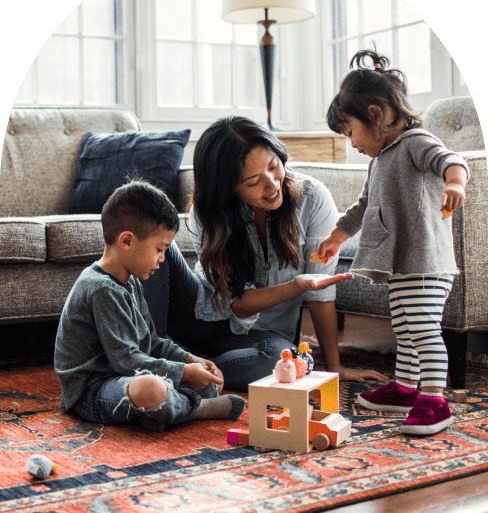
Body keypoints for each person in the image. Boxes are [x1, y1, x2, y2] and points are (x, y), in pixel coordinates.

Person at [160, 116, 387, 391]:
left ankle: (175, 369)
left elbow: (319, 292)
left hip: (264, 339)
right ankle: (163, 358)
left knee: (291, 361)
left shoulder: (312, 200)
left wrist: (334, 366)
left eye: (273, 166)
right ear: (226, 188)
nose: (271, 185)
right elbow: (237, 304)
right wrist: (294, 286)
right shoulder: (207, 212)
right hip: (197, 320)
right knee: (154, 240)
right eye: (253, 181)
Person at [316, 48, 469, 435]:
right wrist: (338, 235)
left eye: (350, 131)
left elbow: (451, 160)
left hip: (425, 261)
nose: (351, 142)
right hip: (399, 263)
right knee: (404, 327)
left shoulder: (416, 141)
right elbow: (363, 205)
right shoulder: (378, 160)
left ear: (375, 114)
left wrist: (454, 182)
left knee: (422, 329)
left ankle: (434, 400)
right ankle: (404, 388)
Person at [54, 179, 246, 432]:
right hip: (92, 391)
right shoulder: (102, 288)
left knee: (206, 382)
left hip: (124, 375)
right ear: (126, 241)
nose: (163, 258)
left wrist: (192, 359)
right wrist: (185, 372)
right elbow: (126, 361)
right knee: (151, 389)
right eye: (159, 248)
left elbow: (152, 342)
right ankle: (196, 409)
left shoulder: (130, 282)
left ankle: (164, 411)